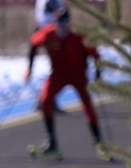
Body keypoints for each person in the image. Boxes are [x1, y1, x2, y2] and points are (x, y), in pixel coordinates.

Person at [25, 6, 103, 156]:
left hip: (79, 76)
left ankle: (99, 142)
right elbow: (33, 44)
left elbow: (96, 55)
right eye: (61, 23)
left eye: (66, 23)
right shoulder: (48, 34)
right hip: (58, 75)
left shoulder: (79, 36)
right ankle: (52, 142)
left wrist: (98, 75)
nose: (63, 27)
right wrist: (29, 68)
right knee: (45, 100)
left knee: (88, 106)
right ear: (56, 22)